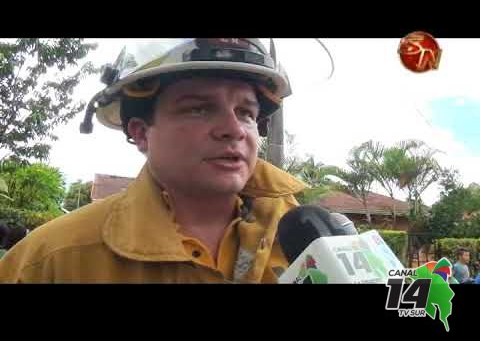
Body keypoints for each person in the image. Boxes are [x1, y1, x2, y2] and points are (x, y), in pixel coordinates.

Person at [0, 38, 307, 283]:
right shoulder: (52, 260)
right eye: (198, 109)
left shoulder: (311, 239)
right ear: (141, 133)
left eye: (246, 113)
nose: (234, 129)